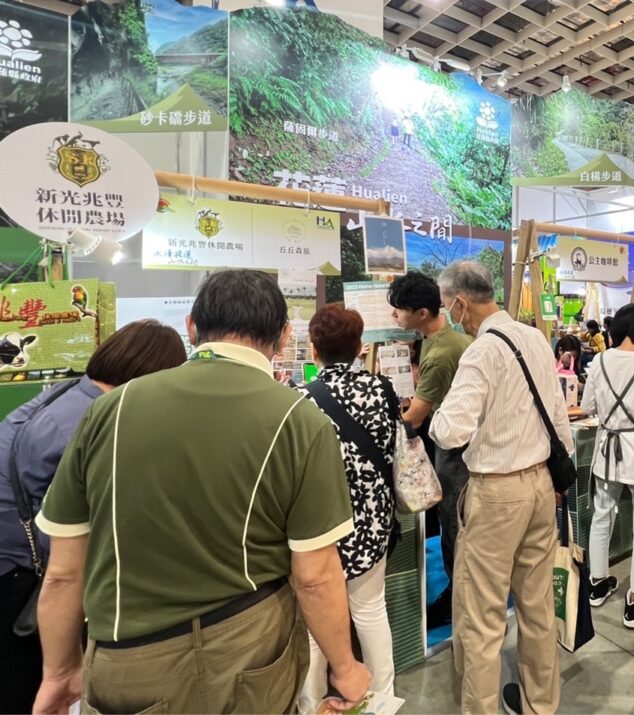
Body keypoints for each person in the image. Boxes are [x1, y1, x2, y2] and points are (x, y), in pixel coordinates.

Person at [33, 270, 371, 714]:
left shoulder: (109, 409)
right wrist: (345, 667)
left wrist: (59, 671)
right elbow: (315, 575)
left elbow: (63, 572)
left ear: (191, 327)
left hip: (119, 658)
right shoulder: (298, 419)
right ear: (285, 335)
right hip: (243, 651)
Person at [0, 320, 185, 714]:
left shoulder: (67, 395)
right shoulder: (95, 423)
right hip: (22, 582)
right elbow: (68, 552)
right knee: (37, 693)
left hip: (13, 565)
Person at [429, 261, 571, 715]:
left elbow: (450, 431)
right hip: (540, 485)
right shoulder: (535, 337)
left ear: (459, 302)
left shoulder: (481, 352)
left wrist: (434, 414)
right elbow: (559, 418)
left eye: (447, 305)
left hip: (495, 493)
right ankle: (540, 706)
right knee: (537, 608)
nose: (449, 314)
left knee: (481, 619)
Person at [297, 306, 398, 710]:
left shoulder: (300, 399)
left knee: (314, 624)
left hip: (319, 524)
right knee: (371, 611)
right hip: (374, 520)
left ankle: (311, 704)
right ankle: (383, 698)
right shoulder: (382, 390)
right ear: (359, 348)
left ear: (314, 350)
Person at [387, 271, 472, 627]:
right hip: (467, 444)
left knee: (454, 524)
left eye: (399, 309)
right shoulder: (457, 339)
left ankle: (458, 598)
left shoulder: (440, 353)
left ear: (422, 312)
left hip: (454, 451)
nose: (394, 315)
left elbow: (416, 417)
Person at [582, 304, 634, 628]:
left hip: (606, 451)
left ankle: (598, 583)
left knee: (601, 516)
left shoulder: (601, 360)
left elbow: (588, 405)